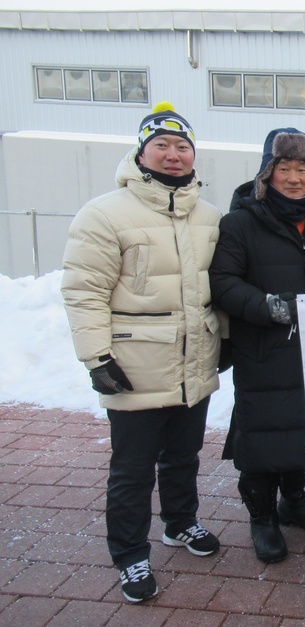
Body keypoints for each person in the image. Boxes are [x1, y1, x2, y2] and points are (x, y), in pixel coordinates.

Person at [60, 102, 223, 603]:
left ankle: (180, 522)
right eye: (162, 146)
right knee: (131, 469)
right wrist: (97, 358)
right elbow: (84, 290)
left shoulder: (210, 215)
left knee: (184, 456)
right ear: (141, 151)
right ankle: (130, 555)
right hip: (135, 365)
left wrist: (228, 339)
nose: (173, 155)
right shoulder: (105, 213)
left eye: (182, 147)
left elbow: (219, 285)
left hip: (194, 361)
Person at [209, 129, 305, 564]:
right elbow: (223, 283)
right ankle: (262, 517)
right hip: (263, 346)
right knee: (263, 434)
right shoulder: (241, 221)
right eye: (284, 168)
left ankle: (296, 502)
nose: (294, 178)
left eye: (302, 169)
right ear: (267, 173)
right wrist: (270, 307)